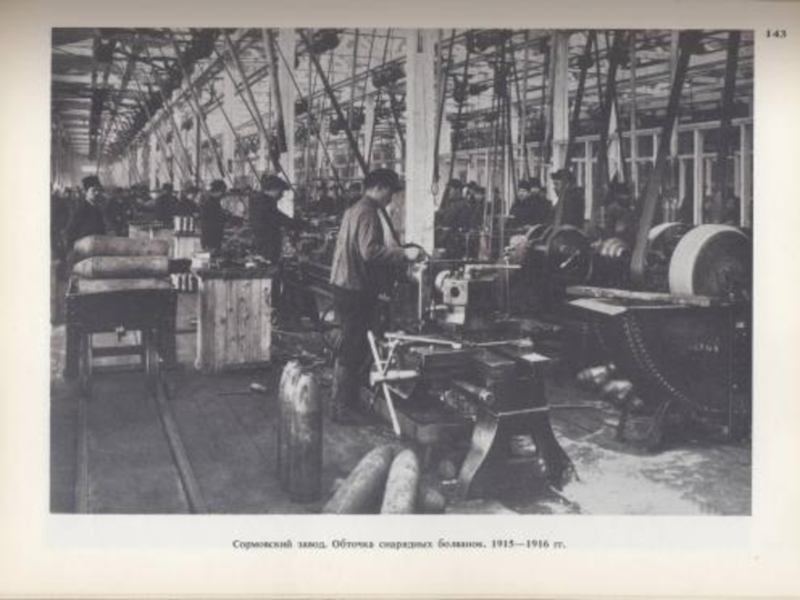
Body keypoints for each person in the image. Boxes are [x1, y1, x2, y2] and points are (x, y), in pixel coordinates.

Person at [329, 168, 425, 423]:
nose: (391, 199)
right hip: (353, 288)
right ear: (380, 187)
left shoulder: (353, 209)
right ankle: (342, 408)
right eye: (391, 193)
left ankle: (345, 400)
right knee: (353, 346)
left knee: (350, 343)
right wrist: (404, 254)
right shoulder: (368, 211)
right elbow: (369, 251)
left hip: (343, 284)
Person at [249, 175, 309, 264]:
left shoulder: (262, 201)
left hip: (264, 243)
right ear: (274, 189)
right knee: (270, 266)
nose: (282, 194)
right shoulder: (264, 203)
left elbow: (278, 216)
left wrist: (295, 223)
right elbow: (278, 218)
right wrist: (300, 224)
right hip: (267, 245)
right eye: (281, 191)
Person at [65, 175, 106, 251]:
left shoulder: (98, 209)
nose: (97, 193)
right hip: (83, 250)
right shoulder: (80, 210)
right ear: (86, 192)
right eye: (94, 190)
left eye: (98, 190)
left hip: (97, 248)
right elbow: (70, 232)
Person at [198, 179, 228, 252]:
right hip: (212, 239)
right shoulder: (212, 204)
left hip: (209, 239)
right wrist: (226, 217)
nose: (222, 194)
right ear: (218, 192)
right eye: (222, 192)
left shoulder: (208, 202)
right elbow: (217, 220)